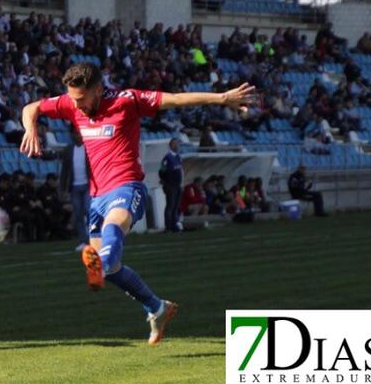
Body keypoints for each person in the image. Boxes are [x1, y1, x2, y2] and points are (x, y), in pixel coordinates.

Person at [20, 62, 255, 344]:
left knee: (112, 230)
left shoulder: (126, 101)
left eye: (82, 99)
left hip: (127, 186)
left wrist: (221, 98)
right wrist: (31, 129)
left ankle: (101, 264)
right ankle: (157, 307)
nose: (77, 106)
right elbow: (30, 108)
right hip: (97, 198)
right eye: (73, 99)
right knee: (114, 268)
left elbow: (176, 99)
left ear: (98, 89)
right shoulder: (71, 105)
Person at [59, 127, 89, 244]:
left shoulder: (88, 148)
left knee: (88, 210)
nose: (77, 136)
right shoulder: (68, 150)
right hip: (74, 187)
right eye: (75, 134)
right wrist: (62, 188)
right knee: (78, 214)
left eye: (79, 133)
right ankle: (83, 240)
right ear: (71, 135)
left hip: (88, 185)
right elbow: (64, 171)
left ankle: (94, 236)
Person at [159, 137, 184, 232]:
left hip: (178, 185)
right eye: (176, 144)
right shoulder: (167, 158)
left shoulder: (178, 157)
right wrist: (165, 182)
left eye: (178, 144)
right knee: (170, 205)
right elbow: (162, 171)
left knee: (176, 206)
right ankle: (168, 226)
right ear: (171, 145)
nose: (177, 145)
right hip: (170, 186)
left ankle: (175, 225)